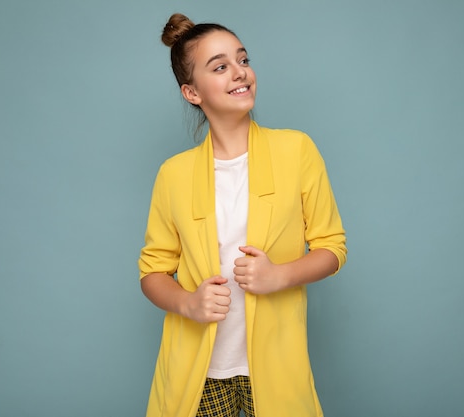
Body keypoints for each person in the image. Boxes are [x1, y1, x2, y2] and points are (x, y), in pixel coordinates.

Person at [138, 13, 347, 417]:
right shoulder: (173, 174)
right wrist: (188, 303)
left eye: (243, 60)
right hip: (198, 371)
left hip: (275, 366)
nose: (240, 73)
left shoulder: (297, 150)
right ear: (192, 92)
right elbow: (152, 273)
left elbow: (332, 247)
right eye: (220, 67)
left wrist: (280, 275)